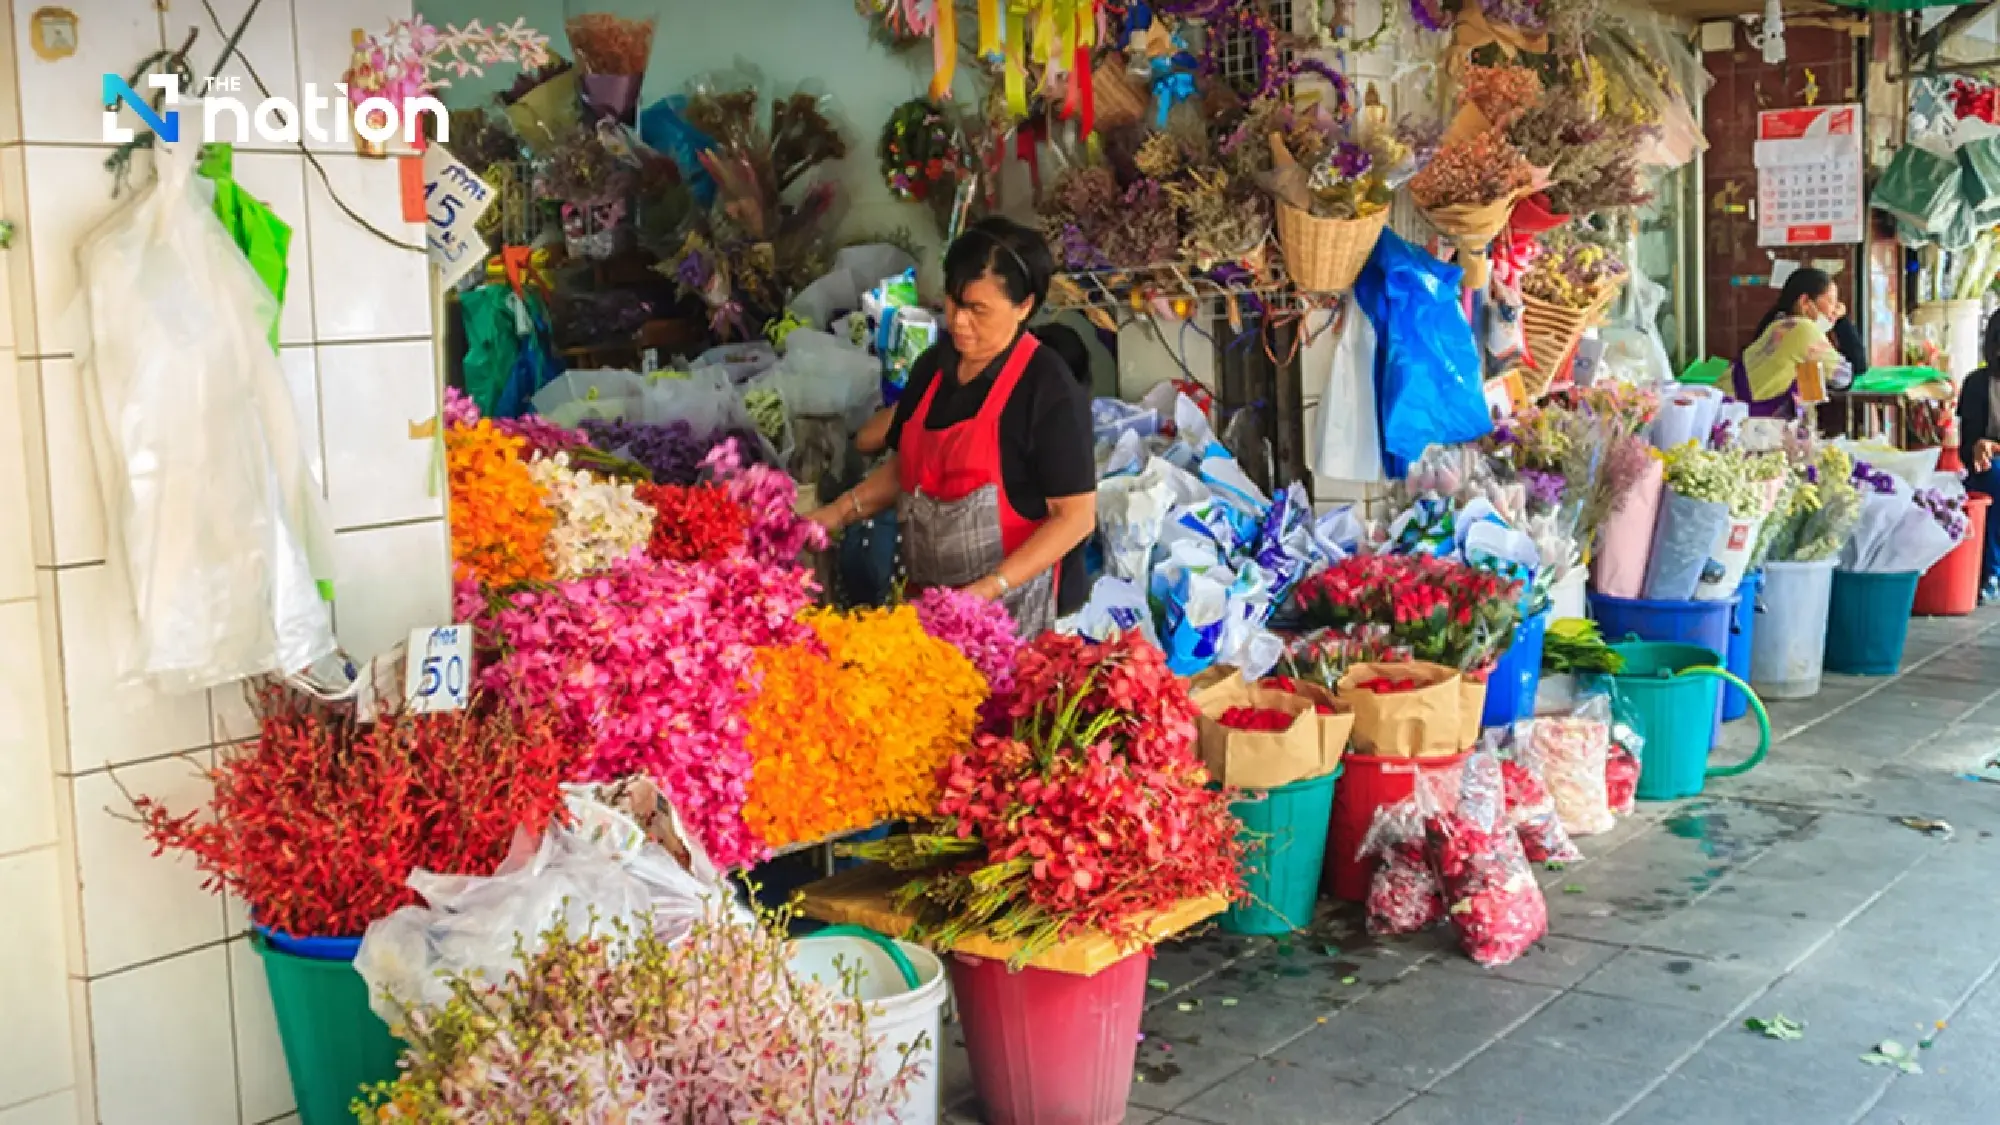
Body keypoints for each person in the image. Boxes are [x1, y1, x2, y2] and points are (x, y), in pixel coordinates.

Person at [809, 218, 1097, 636]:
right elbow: (911, 463)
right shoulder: (934, 367)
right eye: (953, 302)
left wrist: (987, 590)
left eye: (978, 310)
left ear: (1024, 306)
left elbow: (1075, 517)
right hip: (931, 609)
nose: (959, 322)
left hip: (1011, 616)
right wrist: (834, 514)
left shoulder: (1047, 389)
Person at [1730, 268, 1854, 419]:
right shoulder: (1803, 330)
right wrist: (1841, 323)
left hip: (1730, 407)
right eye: (1831, 302)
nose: (1834, 310)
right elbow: (1843, 377)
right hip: (1738, 415)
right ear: (1804, 302)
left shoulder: (1778, 324)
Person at [1956, 310, 2000, 603]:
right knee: (1990, 476)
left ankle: (1991, 570)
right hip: (1991, 465)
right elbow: (1966, 444)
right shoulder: (1977, 384)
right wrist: (1978, 448)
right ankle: (1990, 572)